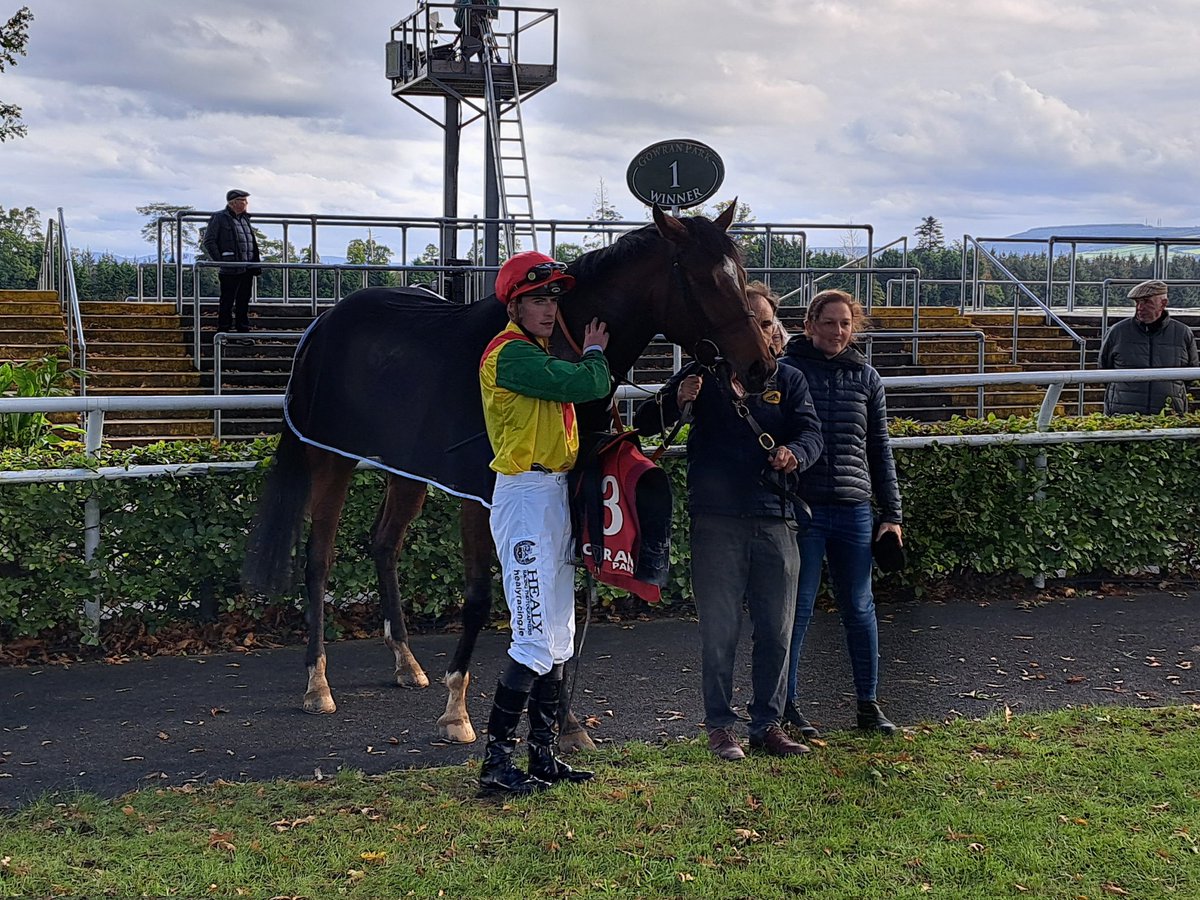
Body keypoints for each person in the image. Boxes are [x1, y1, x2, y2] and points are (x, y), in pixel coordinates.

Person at [634, 282, 824, 761]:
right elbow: (644, 421)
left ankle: (768, 724)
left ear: (773, 329)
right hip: (716, 520)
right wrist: (677, 399)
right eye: (747, 322)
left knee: (777, 630)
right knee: (719, 630)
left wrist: (793, 453)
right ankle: (720, 726)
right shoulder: (701, 375)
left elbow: (811, 434)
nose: (756, 332)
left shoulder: (789, 378)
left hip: (776, 517)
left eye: (764, 323)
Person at [477, 250, 612, 796]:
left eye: (554, 298)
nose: (549, 308)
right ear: (514, 304)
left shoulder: (536, 351)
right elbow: (589, 384)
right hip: (525, 498)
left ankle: (543, 756)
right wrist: (597, 353)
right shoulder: (509, 356)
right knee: (533, 637)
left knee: (558, 638)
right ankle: (495, 763)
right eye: (537, 299)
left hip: (552, 495)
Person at [778, 289, 903, 738]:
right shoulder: (787, 370)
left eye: (845, 323)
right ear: (809, 324)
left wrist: (892, 513)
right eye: (828, 322)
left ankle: (868, 704)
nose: (837, 331)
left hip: (854, 509)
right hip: (804, 509)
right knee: (800, 610)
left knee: (860, 608)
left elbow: (879, 447)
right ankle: (786, 706)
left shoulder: (866, 377)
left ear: (855, 328)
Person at [1098, 279, 1198, 415]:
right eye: (1137, 302)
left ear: (1163, 303)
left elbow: (1190, 373)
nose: (1140, 307)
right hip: (1123, 415)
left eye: (1146, 302)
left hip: (1169, 416)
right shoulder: (1118, 332)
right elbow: (1104, 370)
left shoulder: (1183, 333)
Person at [202, 189, 261, 333]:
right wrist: (221, 261)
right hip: (230, 267)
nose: (246, 203)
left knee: (243, 300)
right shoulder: (219, 217)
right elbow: (209, 241)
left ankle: (243, 329)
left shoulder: (245, 218)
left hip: (247, 266)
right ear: (234, 203)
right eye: (243, 200)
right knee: (227, 300)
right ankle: (224, 329)